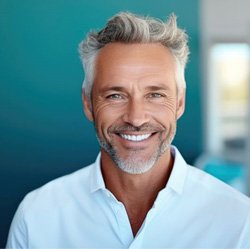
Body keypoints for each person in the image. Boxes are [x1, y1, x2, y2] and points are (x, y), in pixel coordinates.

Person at [6, 11, 250, 248]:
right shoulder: (37, 215)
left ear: (179, 103)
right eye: (115, 95)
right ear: (88, 103)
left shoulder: (239, 221)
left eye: (155, 95)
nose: (136, 118)